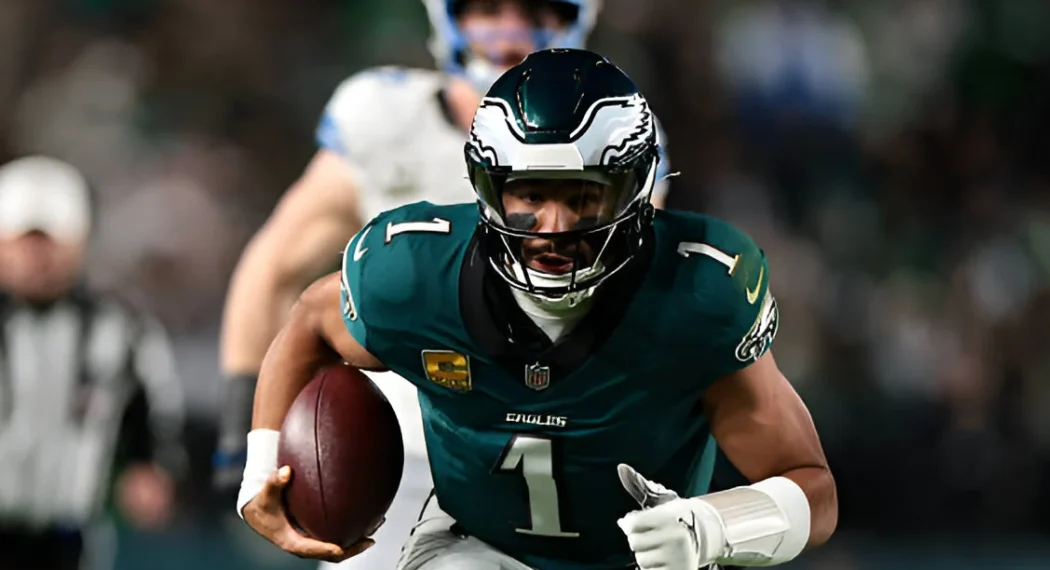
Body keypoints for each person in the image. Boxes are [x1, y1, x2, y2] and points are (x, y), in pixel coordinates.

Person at [237, 49, 836, 569]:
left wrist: (708, 529)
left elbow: (813, 492)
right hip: (473, 547)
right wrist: (261, 468)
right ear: (489, 188)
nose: (553, 228)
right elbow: (310, 323)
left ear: (635, 191)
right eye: (530, 193)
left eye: (582, 197)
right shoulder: (413, 276)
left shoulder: (699, 297)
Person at [214, 1, 672, 566]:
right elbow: (275, 269)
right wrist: (246, 437)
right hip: (396, 443)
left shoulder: (616, 129)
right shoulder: (385, 117)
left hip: (553, 442)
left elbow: (625, 304)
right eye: (486, 7)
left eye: (535, 9)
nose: (509, 29)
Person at [0, 155, 185, 570]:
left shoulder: (121, 329)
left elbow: (153, 404)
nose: (37, 256)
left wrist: (149, 464)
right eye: (24, 241)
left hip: (70, 536)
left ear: (77, 242)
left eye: (48, 240)